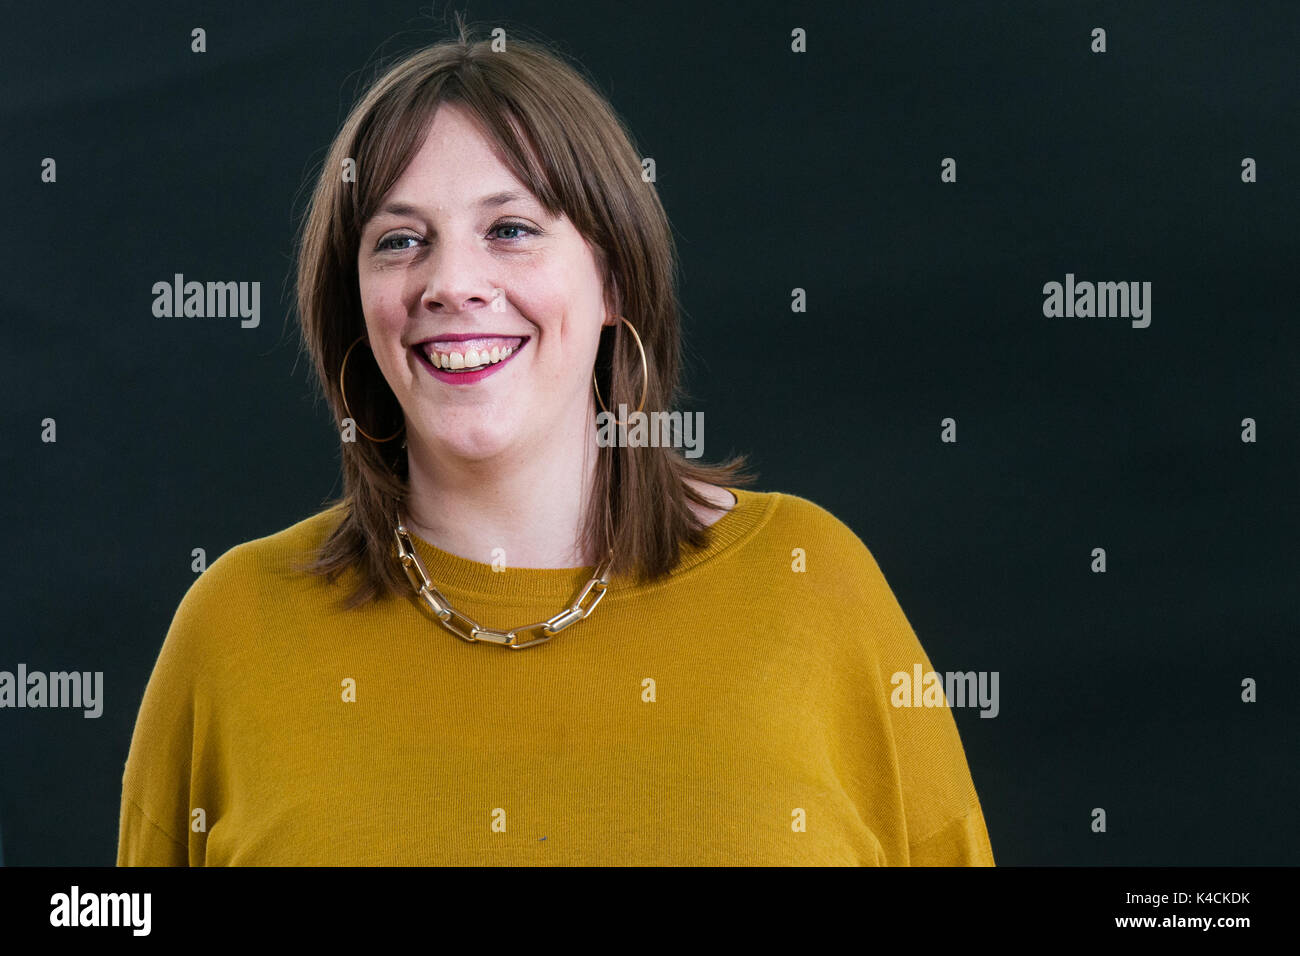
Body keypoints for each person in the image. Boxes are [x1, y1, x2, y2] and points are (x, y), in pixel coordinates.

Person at [118, 21, 994, 866]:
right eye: (399, 241)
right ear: (357, 306)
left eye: (511, 229)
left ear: (613, 277)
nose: (452, 283)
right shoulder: (232, 631)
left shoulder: (814, 587)